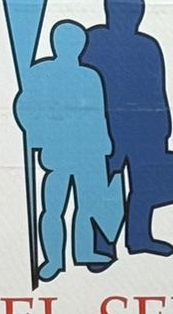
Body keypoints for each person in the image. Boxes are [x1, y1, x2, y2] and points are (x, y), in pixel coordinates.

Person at [12, 20, 123, 282]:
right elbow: (25, 107)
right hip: (57, 153)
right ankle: (53, 260)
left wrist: (105, 144)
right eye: (67, 41)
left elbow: (98, 113)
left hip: (88, 153)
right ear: (56, 43)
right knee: (53, 208)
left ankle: (84, 251)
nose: (72, 46)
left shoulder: (90, 76)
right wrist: (36, 135)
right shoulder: (41, 73)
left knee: (86, 206)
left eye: (77, 42)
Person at [82, 0, 173, 259]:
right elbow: (83, 87)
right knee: (105, 187)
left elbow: (157, 88)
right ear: (109, 11)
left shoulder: (147, 46)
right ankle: (102, 246)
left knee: (145, 186)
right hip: (106, 128)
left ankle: (140, 238)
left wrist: (164, 126)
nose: (128, 17)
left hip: (144, 129)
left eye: (134, 12)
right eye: (122, 11)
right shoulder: (93, 40)